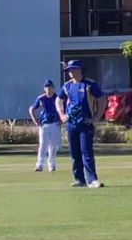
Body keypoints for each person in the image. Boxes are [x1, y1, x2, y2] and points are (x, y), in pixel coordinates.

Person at [56, 60, 105, 188]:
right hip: (71, 124)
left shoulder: (89, 84)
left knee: (86, 151)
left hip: (85, 123)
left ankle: (92, 180)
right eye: (68, 70)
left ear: (79, 70)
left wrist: (95, 118)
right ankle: (79, 180)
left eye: (72, 69)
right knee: (74, 152)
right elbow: (58, 101)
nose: (70, 72)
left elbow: (102, 100)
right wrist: (62, 115)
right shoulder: (67, 86)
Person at [29, 79, 61, 172]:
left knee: (53, 145)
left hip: (55, 124)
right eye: (46, 87)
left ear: (53, 88)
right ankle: (40, 165)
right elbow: (31, 109)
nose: (48, 89)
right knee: (43, 145)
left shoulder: (57, 98)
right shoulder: (41, 98)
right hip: (44, 125)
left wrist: (62, 120)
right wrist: (36, 121)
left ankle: (51, 164)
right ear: (44, 88)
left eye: (50, 87)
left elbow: (64, 109)